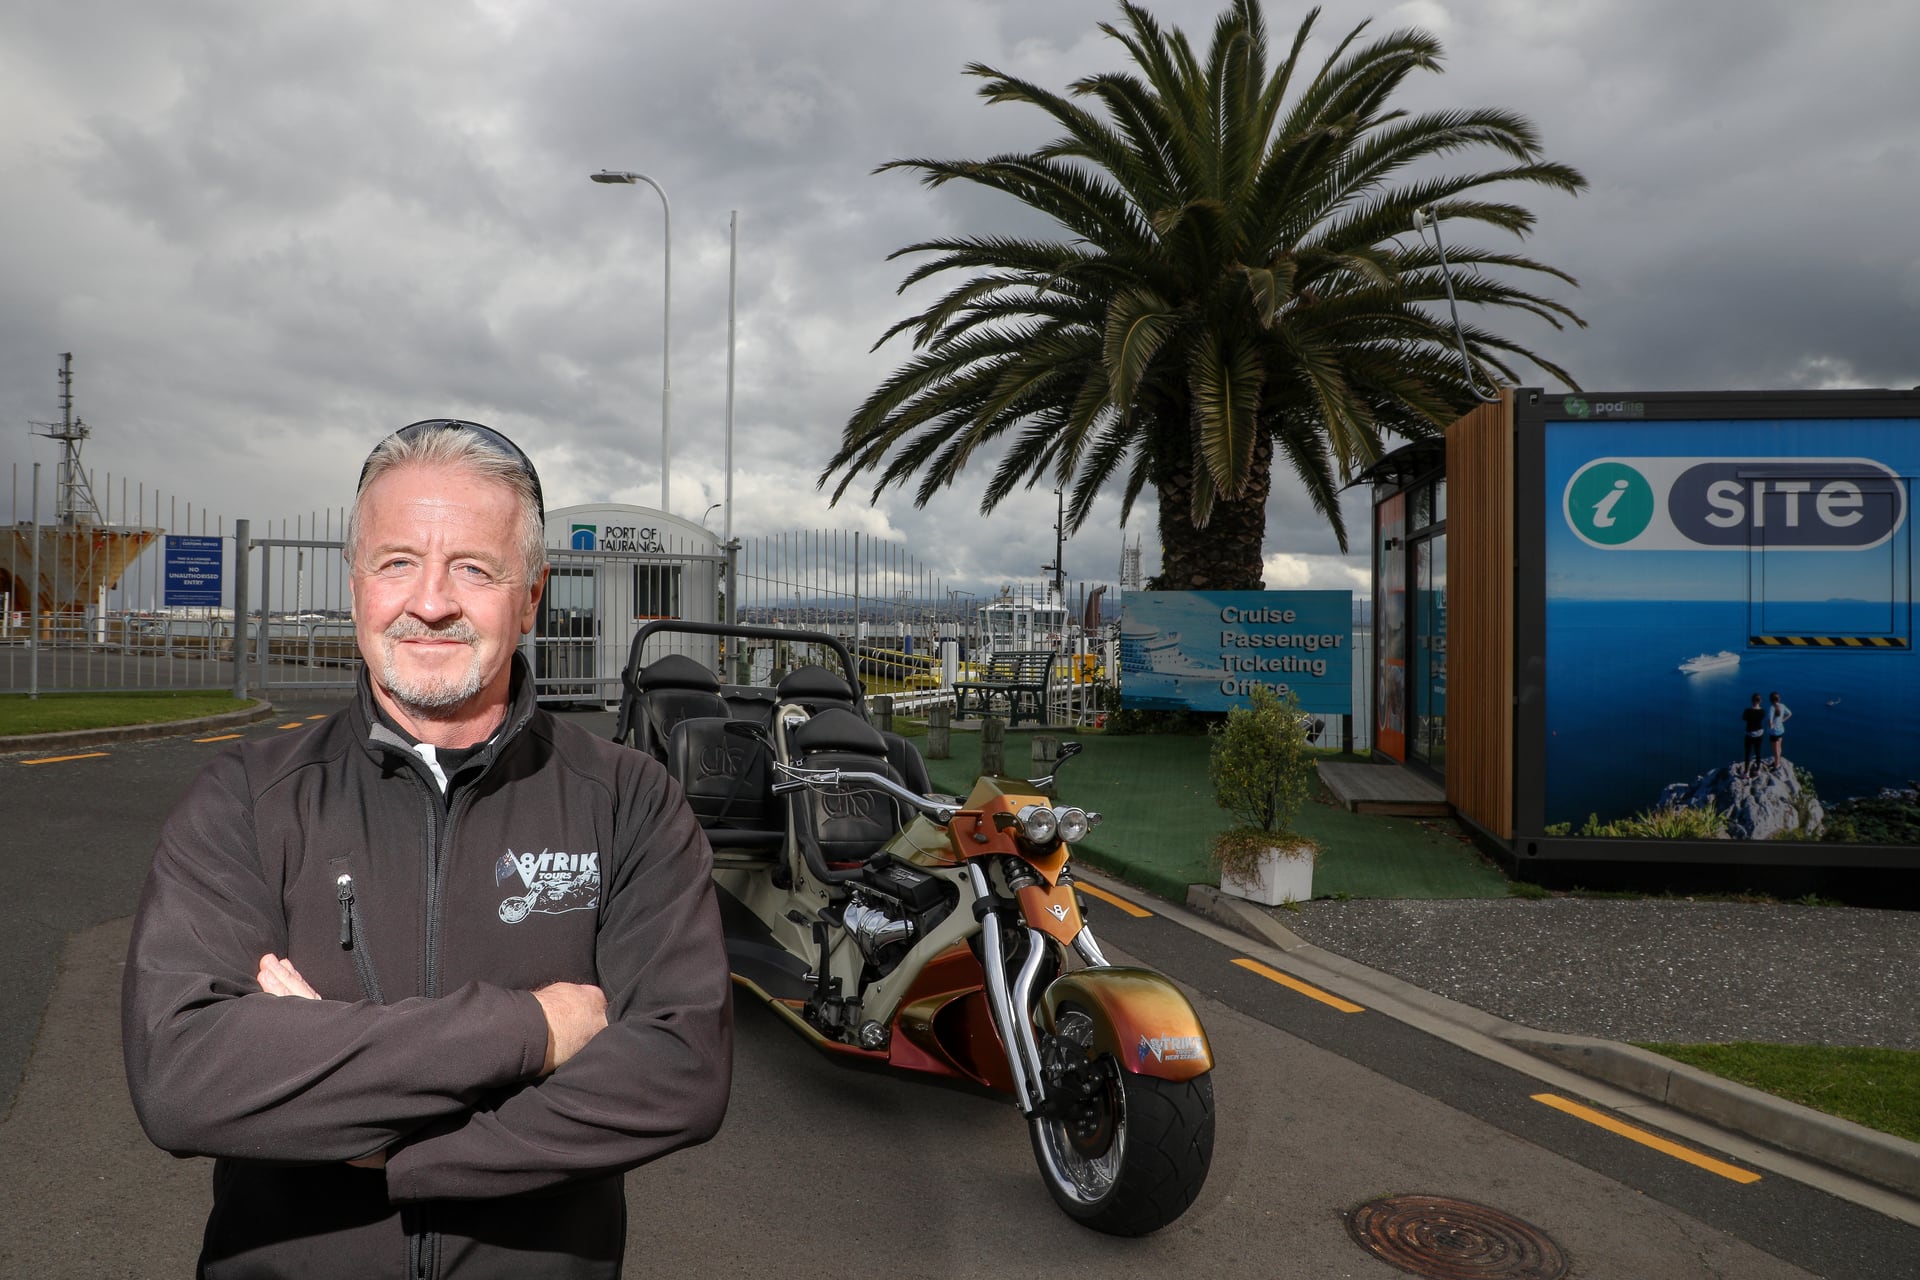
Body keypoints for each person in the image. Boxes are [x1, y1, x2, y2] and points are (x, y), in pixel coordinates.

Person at [122, 420, 732, 1278]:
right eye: (398, 561)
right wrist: (535, 1029)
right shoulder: (244, 800)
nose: (432, 601)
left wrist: (391, 1149)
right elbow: (182, 1075)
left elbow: (680, 1068)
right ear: (356, 584)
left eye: (475, 569)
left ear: (530, 597)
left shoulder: (628, 801)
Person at [1740, 693, 1766, 776]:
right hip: (1759, 733)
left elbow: (1744, 718)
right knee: (1758, 751)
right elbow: (1761, 718)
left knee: (1748, 753)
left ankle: (1746, 772)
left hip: (1750, 734)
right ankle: (1758, 769)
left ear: (1752, 701)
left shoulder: (1748, 711)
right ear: (1760, 701)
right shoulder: (1763, 712)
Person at [1765, 690, 1793, 769]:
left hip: (1774, 732)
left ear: (1770, 700)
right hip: (1781, 730)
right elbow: (1790, 713)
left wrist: (1771, 727)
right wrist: (1782, 720)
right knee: (1779, 747)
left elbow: (1770, 721)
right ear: (1779, 699)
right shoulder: (1782, 705)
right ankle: (1778, 761)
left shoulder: (1771, 708)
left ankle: (1776, 765)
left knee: (1775, 750)